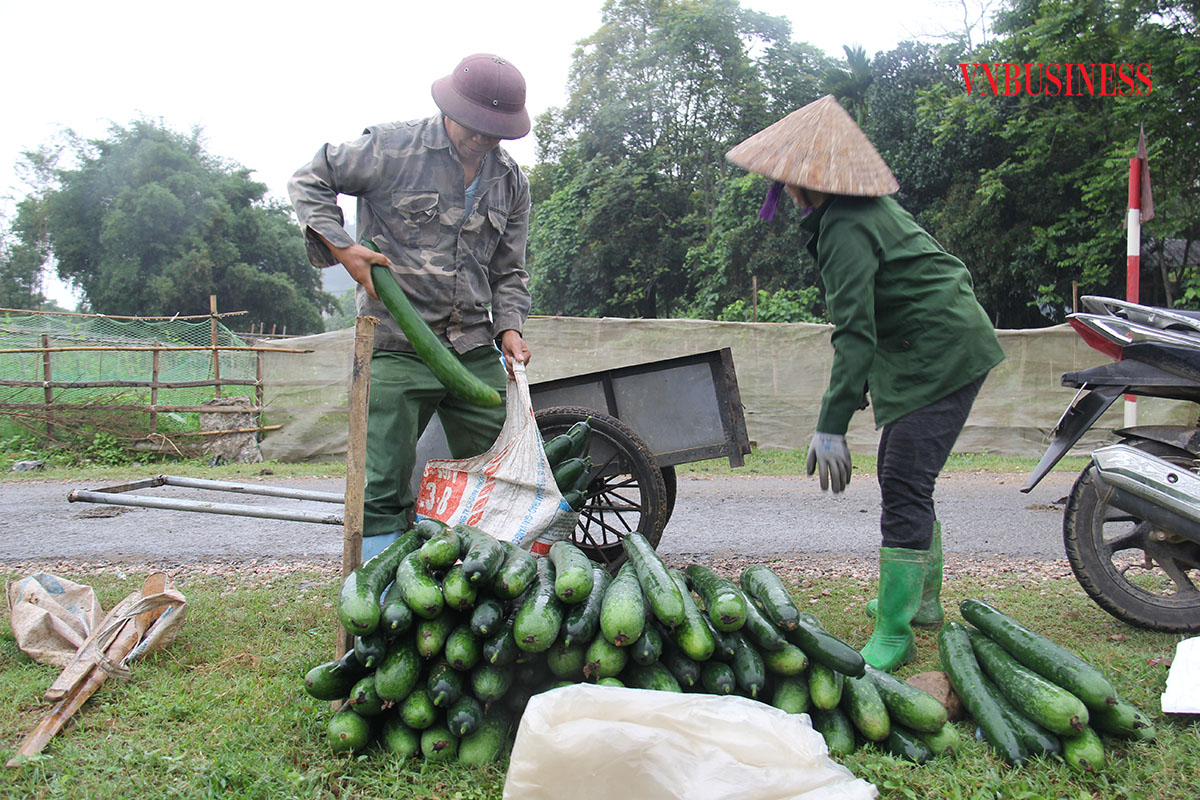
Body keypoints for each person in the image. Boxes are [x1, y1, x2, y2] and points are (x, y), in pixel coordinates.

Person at [726, 95, 1005, 671]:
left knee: (903, 477)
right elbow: (873, 315)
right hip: (934, 346)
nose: (779, 186)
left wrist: (830, 426)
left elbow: (855, 334)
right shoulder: (861, 211)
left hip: (940, 354)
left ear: (804, 179)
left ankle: (895, 632)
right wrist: (849, 400)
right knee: (910, 476)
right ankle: (922, 602)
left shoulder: (847, 226)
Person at [288, 53, 534, 559]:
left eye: (495, 130)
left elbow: (509, 270)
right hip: (396, 341)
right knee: (382, 481)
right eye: (474, 124)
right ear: (449, 106)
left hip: (471, 344)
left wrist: (509, 327)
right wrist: (342, 247)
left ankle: (491, 573)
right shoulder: (390, 148)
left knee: (506, 464)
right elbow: (310, 179)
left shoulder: (511, 181)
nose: (483, 137)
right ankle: (377, 586)